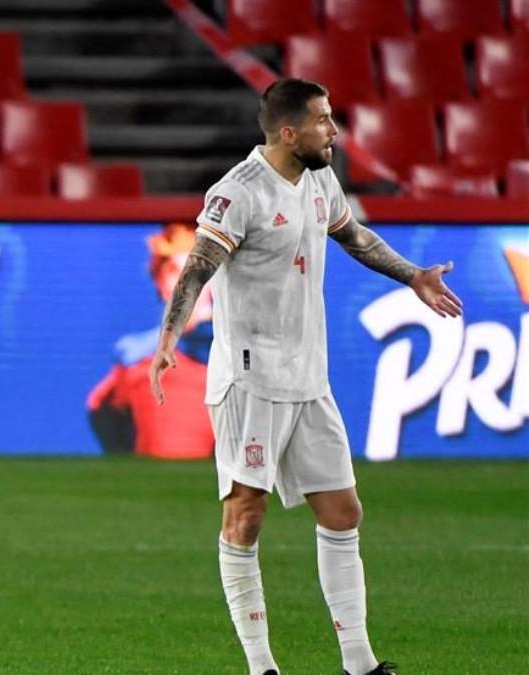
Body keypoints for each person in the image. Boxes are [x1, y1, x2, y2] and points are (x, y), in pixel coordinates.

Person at [149, 78, 462, 675]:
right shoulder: (237, 193)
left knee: (343, 510)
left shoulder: (319, 177)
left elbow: (355, 237)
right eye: (324, 121)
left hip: (309, 377)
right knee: (246, 512)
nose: (335, 132)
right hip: (250, 378)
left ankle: (359, 663)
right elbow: (198, 267)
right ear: (289, 132)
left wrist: (412, 275)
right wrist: (169, 337)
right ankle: (261, 666)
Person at [87, 222, 214, 458]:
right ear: (160, 283)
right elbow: (101, 409)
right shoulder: (136, 359)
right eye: (176, 271)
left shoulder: (241, 355)